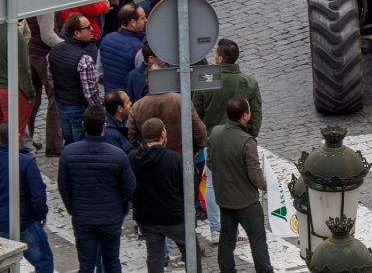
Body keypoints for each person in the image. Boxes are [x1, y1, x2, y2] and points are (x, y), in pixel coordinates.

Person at [193, 38, 262, 242]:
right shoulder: (248, 82)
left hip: (212, 140)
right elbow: (256, 114)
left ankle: (216, 229)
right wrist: (250, 136)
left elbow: (195, 112)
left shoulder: (206, 79)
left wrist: (198, 139)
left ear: (220, 58)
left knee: (213, 184)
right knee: (241, 182)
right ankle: (243, 228)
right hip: (241, 139)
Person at [58, 105, 136, 273]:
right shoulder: (118, 155)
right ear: (104, 127)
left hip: (83, 216)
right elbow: (129, 187)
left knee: (86, 264)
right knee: (112, 261)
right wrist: (118, 205)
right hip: (111, 216)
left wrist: (73, 209)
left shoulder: (69, 153)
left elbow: (64, 187)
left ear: (83, 125)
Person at [0, 122, 53, 273]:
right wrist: (41, 214)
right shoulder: (26, 162)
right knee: (43, 260)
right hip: (26, 221)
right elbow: (38, 194)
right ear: (17, 137)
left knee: (8, 262)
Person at [208, 97, 273, 273]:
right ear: (245, 115)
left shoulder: (215, 133)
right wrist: (269, 186)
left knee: (227, 237)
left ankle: (227, 270)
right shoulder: (247, 142)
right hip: (246, 202)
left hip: (224, 198)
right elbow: (255, 176)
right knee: (257, 240)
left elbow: (210, 163)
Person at [129, 118, 201, 273]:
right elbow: (188, 189)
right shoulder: (175, 159)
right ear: (163, 134)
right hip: (173, 217)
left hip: (145, 217)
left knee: (154, 254)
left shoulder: (132, 158)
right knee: (191, 251)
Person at [25, 0, 64, 156]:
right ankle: (54, 145)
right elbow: (48, 35)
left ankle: (28, 139)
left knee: (31, 99)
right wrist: (67, 46)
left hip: (29, 53)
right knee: (54, 99)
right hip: (44, 56)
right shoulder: (44, 1)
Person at [47, 13, 101, 145]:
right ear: (76, 33)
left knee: (68, 139)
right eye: (87, 28)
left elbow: (50, 79)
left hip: (61, 103)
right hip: (77, 107)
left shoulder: (53, 51)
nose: (91, 30)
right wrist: (98, 109)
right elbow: (90, 92)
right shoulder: (85, 59)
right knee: (80, 143)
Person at [128, 67, 207, 154]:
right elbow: (198, 128)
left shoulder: (137, 106)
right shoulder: (181, 100)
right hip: (181, 157)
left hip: (151, 159)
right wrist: (197, 148)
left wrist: (139, 151)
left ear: (147, 81)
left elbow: (131, 134)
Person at [100, 4, 146, 94]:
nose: (146, 20)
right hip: (128, 100)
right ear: (133, 22)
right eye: (143, 18)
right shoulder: (138, 48)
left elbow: (100, 70)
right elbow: (141, 78)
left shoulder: (106, 39)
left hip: (110, 96)